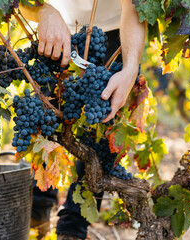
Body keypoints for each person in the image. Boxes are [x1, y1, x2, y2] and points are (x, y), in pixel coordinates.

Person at [20, 1, 147, 239]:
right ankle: (37, 212)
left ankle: (73, 230)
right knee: (45, 118)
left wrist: (130, 70)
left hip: (116, 32)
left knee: (98, 132)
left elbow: (135, 8)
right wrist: (44, 11)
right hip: (54, 28)